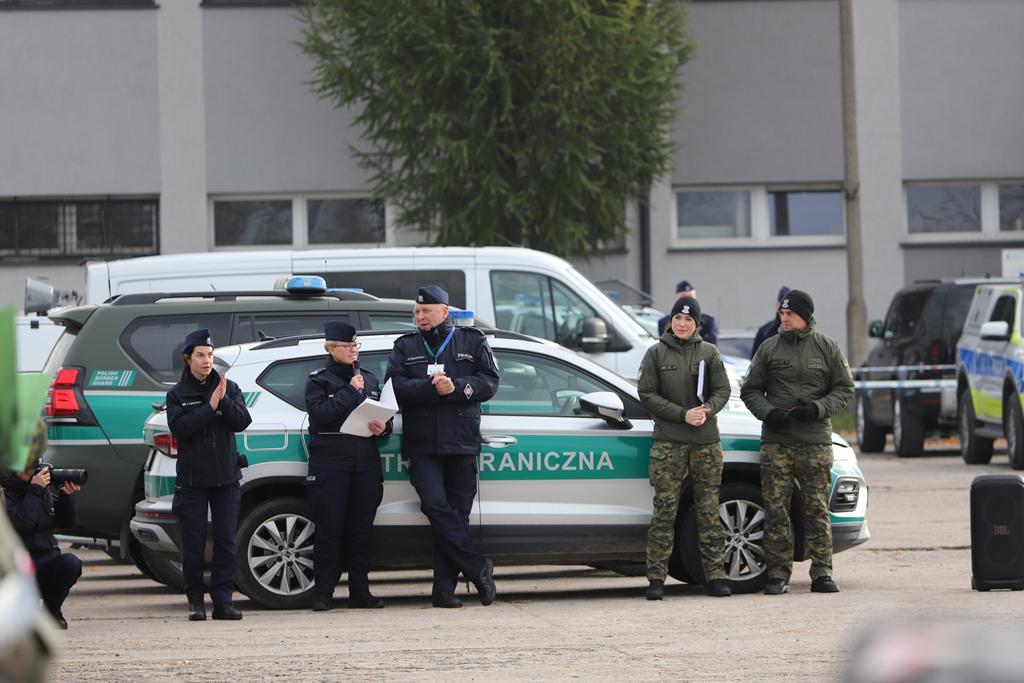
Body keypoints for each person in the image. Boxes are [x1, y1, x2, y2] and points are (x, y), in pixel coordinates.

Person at [386, 285, 500, 608]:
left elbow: (490, 382)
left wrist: (458, 387)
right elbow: (395, 387)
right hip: (423, 446)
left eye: (426, 311)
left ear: (444, 311)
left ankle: (444, 590)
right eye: (417, 311)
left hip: (461, 443)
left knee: (456, 516)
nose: (420, 316)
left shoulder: (472, 340)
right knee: (436, 508)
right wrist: (430, 389)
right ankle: (478, 567)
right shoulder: (405, 346)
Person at [739, 290, 854, 595]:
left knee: (816, 507)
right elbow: (750, 390)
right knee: (776, 508)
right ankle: (778, 573)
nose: (785, 318)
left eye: (790, 314)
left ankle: (822, 571)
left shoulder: (827, 347)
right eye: (782, 313)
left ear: (805, 316)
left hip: (815, 442)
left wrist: (817, 408)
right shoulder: (769, 348)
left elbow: (844, 389)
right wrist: (768, 413)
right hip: (777, 442)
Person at [638, 296, 732, 600]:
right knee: (665, 511)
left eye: (688, 320)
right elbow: (647, 394)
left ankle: (715, 575)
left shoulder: (709, 352)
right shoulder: (656, 353)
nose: (682, 324)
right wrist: (682, 414)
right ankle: (656, 578)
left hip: (705, 443)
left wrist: (707, 409)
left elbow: (723, 390)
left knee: (708, 511)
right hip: (669, 442)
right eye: (678, 318)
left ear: (697, 324)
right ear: (670, 320)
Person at [167, 328, 252, 621]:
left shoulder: (229, 387)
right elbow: (181, 428)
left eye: (210, 355)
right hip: (193, 480)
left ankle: (223, 602)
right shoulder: (178, 394)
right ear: (188, 358)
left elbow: (242, 421)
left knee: (226, 541)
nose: (207, 361)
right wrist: (210, 406)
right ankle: (195, 602)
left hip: (226, 477)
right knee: (193, 543)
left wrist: (223, 400)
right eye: (201, 356)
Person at [304, 320, 390, 611]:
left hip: (365, 463)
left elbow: (383, 417)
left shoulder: (370, 379)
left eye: (355, 345)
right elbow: (320, 414)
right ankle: (323, 593)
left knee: (361, 530)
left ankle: (360, 591)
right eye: (347, 346)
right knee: (329, 530)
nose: (353, 350)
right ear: (331, 348)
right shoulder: (319, 380)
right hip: (331, 463)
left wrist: (383, 428)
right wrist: (350, 392)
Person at [1, 421, 82, 629]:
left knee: (71, 563)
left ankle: (51, 611)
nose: (34, 474)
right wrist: (35, 490)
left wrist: (66, 496)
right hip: (18, 570)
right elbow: (22, 524)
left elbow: (66, 523)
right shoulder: (6, 495)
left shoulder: (40, 491)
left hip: (46, 561)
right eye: (29, 470)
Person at [657, 280, 718, 345]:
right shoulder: (664, 322)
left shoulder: (708, 322)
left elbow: (711, 344)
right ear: (676, 298)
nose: (687, 300)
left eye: (690, 297)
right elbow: (665, 344)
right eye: (682, 297)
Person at [750, 286, 792, 358]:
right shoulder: (765, 332)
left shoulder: (800, 330)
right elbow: (755, 360)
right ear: (777, 306)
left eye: (788, 304)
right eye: (782, 304)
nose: (785, 307)